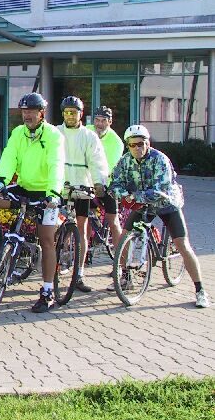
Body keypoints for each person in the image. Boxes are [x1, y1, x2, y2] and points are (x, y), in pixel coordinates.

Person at [0, 93, 65, 313]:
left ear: (41, 113)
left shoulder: (54, 135)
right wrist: (1, 180)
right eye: (24, 111)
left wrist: (54, 194)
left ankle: (47, 292)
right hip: (25, 187)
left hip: (46, 192)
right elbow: (10, 157)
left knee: (47, 240)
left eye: (31, 111)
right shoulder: (18, 133)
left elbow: (56, 164)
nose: (27, 115)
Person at [109, 125, 209, 308]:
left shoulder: (160, 159)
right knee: (124, 237)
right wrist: (122, 194)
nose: (137, 148)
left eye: (141, 144)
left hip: (167, 204)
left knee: (182, 245)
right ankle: (124, 276)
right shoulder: (125, 161)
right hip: (142, 205)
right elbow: (114, 183)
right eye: (133, 145)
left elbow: (160, 189)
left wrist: (132, 196)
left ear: (148, 143)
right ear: (128, 146)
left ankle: (200, 290)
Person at [56, 96, 107, 293]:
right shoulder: (56, 132)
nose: (70, 116)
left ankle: (79, 273)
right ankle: (54, 266)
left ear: (80, 114)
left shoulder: (89, 136)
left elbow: (97, 161)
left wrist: (98, 182)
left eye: (74, 112)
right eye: (67, 112)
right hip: (59, 186)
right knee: (53, 226)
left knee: (82, 229)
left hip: (82, 186)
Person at [87, 105, 126, 278]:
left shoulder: (116, 142)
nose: (99, 124)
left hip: (107, 185)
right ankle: (81, 254)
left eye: (103, 121)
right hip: (86, 182)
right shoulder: (86, 131)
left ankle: (120, 264)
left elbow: (107, 168)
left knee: (113, 221)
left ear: (110, 122)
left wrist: (99, 184)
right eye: (97, 120)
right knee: (80, 218)